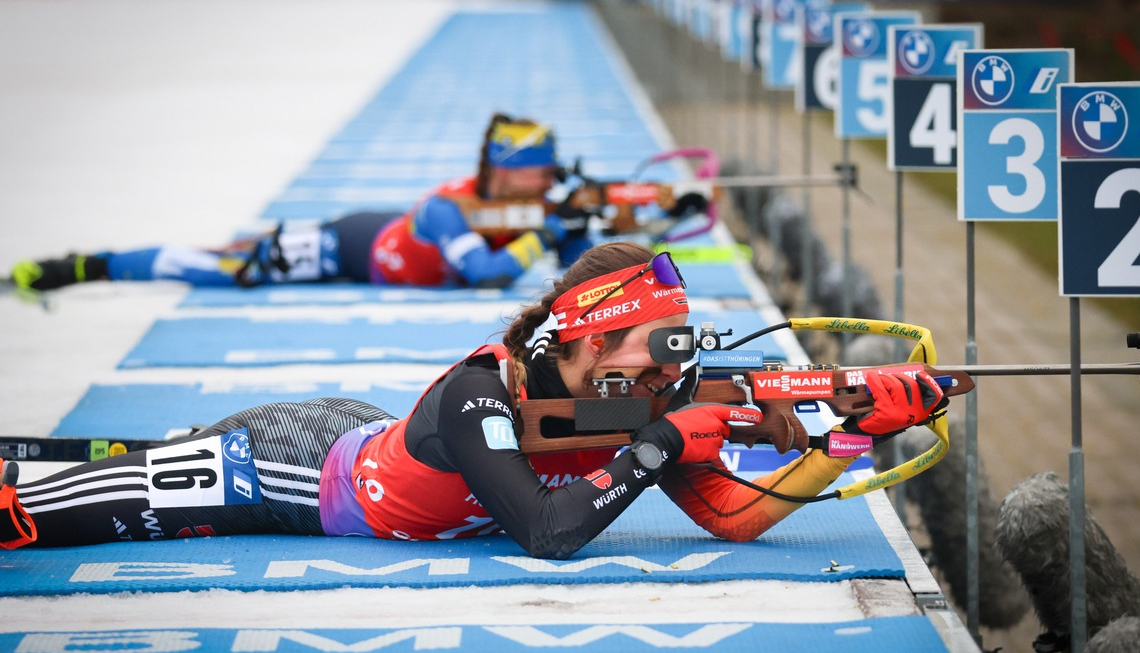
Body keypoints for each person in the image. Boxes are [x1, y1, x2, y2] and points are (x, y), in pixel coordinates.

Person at [0, 242, 946, 558]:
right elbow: (547, 531)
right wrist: (663, 442)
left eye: (680, 349)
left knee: (102, 467)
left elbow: (735, 515)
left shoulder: (648, 401)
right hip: (284, 468)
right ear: (588, 340)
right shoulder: (478, 393)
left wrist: (845, 436)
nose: (674, 372)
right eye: (656, 349)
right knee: (35, 513)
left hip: (360, 432)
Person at [5, 113, 592, 293]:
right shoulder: (446, 206)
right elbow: (486, 274)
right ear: (506, 171)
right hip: (350, 247)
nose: (549, 180)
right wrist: (546, 233)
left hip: (377, 237)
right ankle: (88, 266)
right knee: (224, 265)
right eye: (541, 170)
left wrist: (576, 229)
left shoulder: (534, 207)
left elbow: (578, 276)